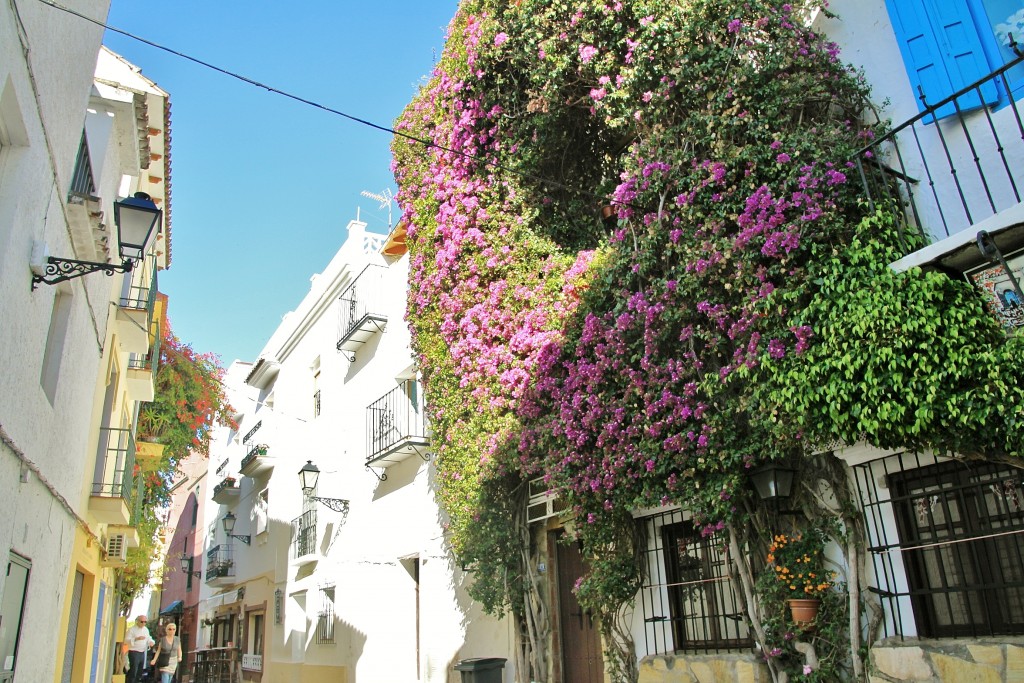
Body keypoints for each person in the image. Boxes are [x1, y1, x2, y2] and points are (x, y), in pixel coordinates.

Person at [124, 615, 154, 683]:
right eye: (142, 622)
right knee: (133, 670)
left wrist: (151, 642)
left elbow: (148, 638)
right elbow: (126, 640)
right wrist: (136, 639)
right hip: (134, 651)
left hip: (142, 652)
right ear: (137, 621)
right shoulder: (132, 629)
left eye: (145, 622)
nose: (143, 623)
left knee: (140, 671)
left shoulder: (146, 629)